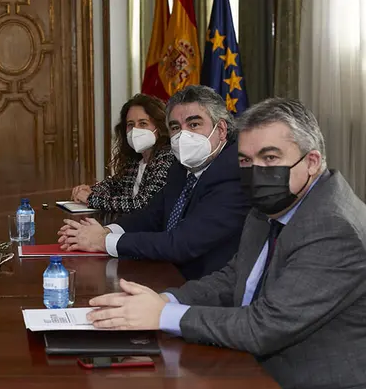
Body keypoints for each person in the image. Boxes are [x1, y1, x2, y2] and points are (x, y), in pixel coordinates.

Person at [85, 98, 366, 389]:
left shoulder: (333, 228)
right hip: (256, 372)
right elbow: (234, 277)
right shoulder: (272, 204)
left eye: (270, 158)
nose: (256, 172)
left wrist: (163, 316)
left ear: (312, 161)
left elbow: (264, 326)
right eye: (246, 160)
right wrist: (165, 299)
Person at [59, 85, 250, 280]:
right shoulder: (181, 166)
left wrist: (103, 241)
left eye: (194, 124)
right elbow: (151, 215)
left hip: (205, 286)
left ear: (221, 130)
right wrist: (105, 231)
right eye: (175, 127)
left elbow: (181, 244)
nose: (183, 135)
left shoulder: (234, 174)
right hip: (169, 273)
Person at [70, 94, 174, 214]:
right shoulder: (136, 160)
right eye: (130, 124)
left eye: (143, 123)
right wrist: (90, 190)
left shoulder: (167, 157)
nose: (135, 130)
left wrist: (91, 198)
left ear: (160, 127)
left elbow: (143, 204)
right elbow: (114, 184)